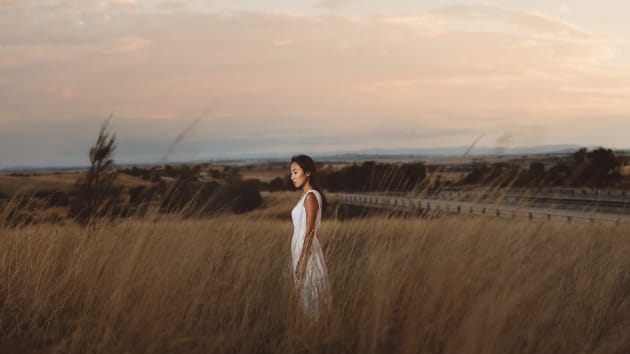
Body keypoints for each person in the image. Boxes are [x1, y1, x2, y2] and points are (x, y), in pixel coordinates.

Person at [290, 154, 330, 319]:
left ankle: (315, 332)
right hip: (301, 251)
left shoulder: (311, 197)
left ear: (307, 172)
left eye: (295, 172)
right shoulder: (307, 196)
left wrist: (302, 261)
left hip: (307, 254)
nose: (292, 177)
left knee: (311, 298)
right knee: (305, 297)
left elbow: (310, 231)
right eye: (291, 173)